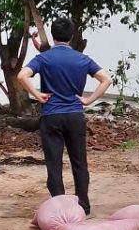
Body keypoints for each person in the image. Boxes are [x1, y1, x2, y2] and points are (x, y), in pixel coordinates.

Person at [17, 16, 112, 214]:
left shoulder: (44, 58)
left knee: (54, 163)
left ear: (53, 36)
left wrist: (37, 94)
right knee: (79, 162)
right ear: (72, 36)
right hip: (75, 115)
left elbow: (22, 75)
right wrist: (88, 100)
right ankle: (83, 206)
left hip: (51, 115)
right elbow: (106, 79)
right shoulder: (82, 59)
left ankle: (60, 206)